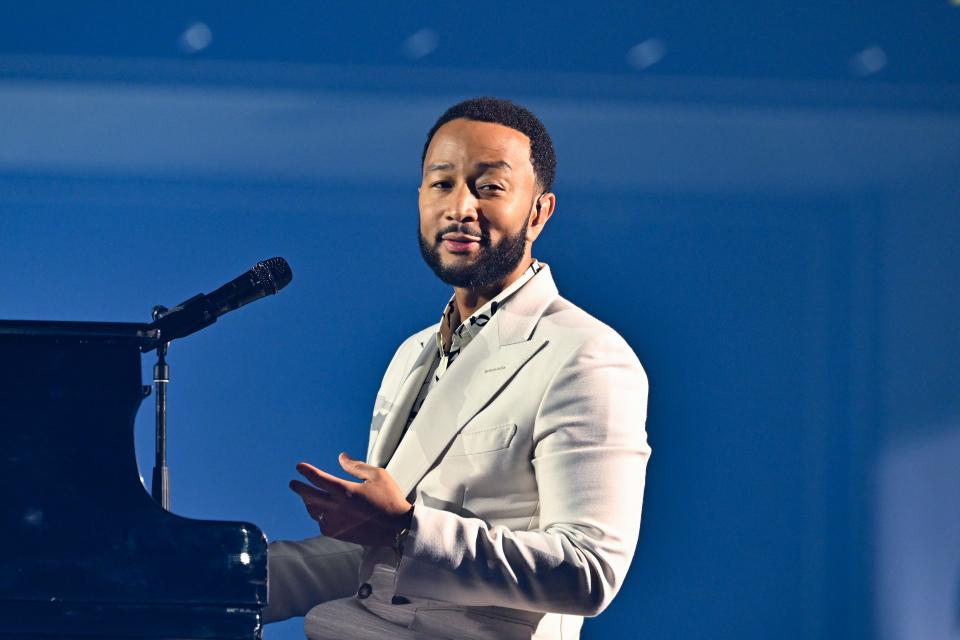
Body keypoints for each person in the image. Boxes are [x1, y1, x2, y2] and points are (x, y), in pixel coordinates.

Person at [264, 97, 651, 640]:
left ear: (539, 212)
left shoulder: (586, 354)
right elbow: (372, 563)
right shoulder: (413, 353)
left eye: (489, 187)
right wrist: (220, 571)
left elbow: (588, 571)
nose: (460, 206)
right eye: (442, 183)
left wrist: (404, 528)